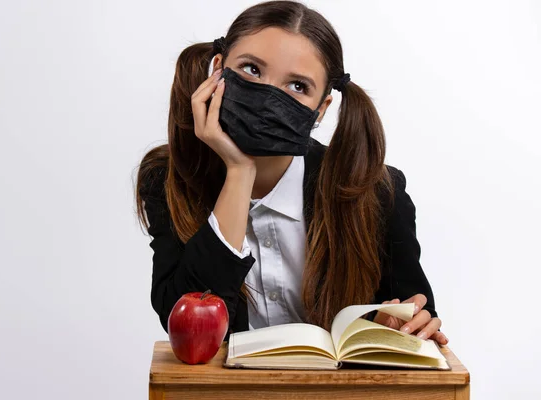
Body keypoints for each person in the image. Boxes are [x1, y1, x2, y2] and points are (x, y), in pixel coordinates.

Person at [136, 0, 448, 345]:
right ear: (218, 69)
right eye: (252, 69)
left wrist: (402, 324)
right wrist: (240, 172)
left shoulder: (378, 191)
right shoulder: (167, 179)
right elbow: (184, 324)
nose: (269, 96)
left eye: (298, 86)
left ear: (320, 110)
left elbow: (417, 317)